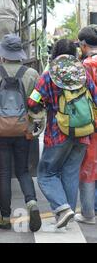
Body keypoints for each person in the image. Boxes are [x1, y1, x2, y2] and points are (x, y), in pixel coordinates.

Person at [28, 54, 97, 229]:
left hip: (57, 133)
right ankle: (68, 214)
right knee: (71, 173)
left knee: (46, 174)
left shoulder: (48, 76)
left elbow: (32, 101)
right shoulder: (83, 75)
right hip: (83, 133)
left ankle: (62, 208)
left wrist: (44, 105)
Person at [0, 34, 42, 232]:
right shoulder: (31, 74)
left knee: (4, 173)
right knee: (22, 171)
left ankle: (3, 217)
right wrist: (34, 128)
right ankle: (32, 203)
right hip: (23, 129)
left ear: (3, 54)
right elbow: (36, 104)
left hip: (1, 129)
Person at [75, 26, 97, 225]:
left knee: (89, 165)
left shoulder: (87, 65)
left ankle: (88, 212)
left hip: (92, 122)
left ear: (83, 45)